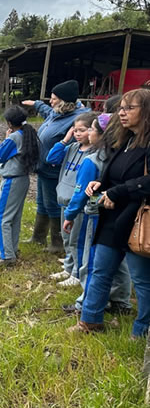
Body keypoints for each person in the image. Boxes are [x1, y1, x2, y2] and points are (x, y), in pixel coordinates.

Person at [69, 88, 150, 337]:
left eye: (129, 108)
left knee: (142, 281)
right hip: (112, 218)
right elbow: (115, 173)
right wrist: (100, 186)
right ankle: (90, 321)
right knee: (100, 271)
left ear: (146, 112)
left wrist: (118, 193)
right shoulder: (125, 141)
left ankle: (142, 331)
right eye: (121, 108)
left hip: (137, 220)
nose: (121, 113)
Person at [61, 113, 132, 315]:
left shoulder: (92, 161)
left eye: (92, 129)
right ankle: (120, 300)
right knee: (119, 262)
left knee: (90, 261)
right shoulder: (121, 156)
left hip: (93, 216)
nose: (89, 133)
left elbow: (81, 191)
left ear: (102, 135)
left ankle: (85, 303)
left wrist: (70, 214)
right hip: (117, 215)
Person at [22, 80, 89, 253]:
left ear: (65, 101)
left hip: (54, 170)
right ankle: (38, 237)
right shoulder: (58, 113)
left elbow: (74, 147)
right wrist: (36, 104)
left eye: (54, 99)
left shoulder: (76, 120)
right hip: (43, 167)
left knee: (52, 204)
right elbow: (46, 111)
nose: (50, 102)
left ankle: (57, 243)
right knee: (41, 203)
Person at [0, 106, 41, 268]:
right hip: (23, 180)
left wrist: (6, 138)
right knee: (14, 217)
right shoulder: (26, 134)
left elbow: (1, 156)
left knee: (1, 218)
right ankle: (12, 249)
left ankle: (6, 256)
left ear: (10, 123)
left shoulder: (13, 137)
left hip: (11, 181)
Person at [45, 112, 96, 287]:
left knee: (76, 240)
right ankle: (68, 267)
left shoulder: (94, 153)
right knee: (67, 239)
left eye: (82, 130)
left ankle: (76, 273)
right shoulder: (72, 148)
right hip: (63, 199)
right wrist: (65, 140)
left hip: (78, 205)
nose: (78, 134)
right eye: (75, 130)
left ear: (92, 130)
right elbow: (51, 158)